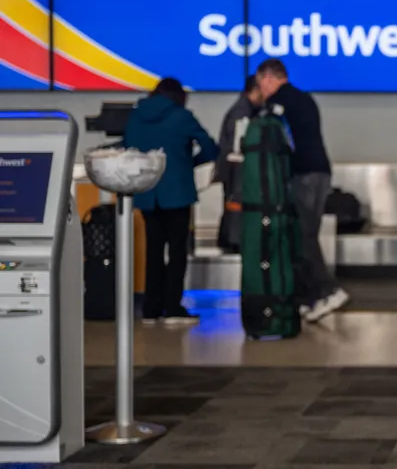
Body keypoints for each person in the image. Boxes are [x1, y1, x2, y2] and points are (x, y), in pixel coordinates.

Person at [254, 59, 349, 322]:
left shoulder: (279, 104)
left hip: (304, 175)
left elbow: (273, 139)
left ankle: (327, 290)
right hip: (320, 172)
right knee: (305, 234)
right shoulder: (305, 99)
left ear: (270, 78)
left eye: (261, 83)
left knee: (302, 235)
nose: (260, 89)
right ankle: (309, 298)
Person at [122, 77, 219, 326]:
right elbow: (210, 147)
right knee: (177, 252)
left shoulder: (135, 116)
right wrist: (189, 163)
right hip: (177, 192)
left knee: (153, 250)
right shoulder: (181, 117)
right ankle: (173, 307)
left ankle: (151, 309)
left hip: (147, 192)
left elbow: (127, 149)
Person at [213, 76, 265, 254]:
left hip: (233, 170)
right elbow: (238, 147)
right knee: (236, 207)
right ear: (255, 90)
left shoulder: (244, 110)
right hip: (237, 171)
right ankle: (234, 241)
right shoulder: (242, 113)